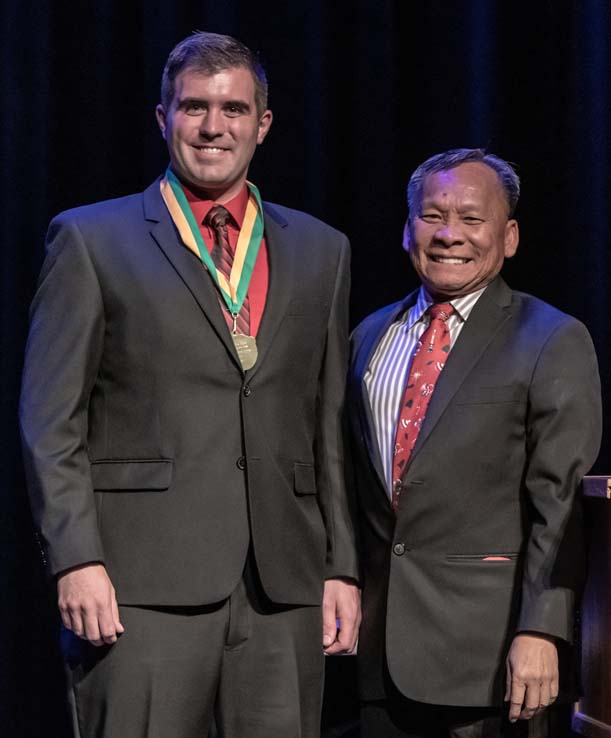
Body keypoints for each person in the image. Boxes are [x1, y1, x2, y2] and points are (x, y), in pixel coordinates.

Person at [20, 31, 360, 738]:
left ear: (262, 124)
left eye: (234, 109)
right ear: (162, 118)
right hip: (138, 582)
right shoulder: (91, 239)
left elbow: (327, 423)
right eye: (194, 107)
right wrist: (77, 558)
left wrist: (340, 568)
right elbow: (50, 420)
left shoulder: (322, 249)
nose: (214, 127)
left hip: (283, 585)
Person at [346, 148, 601, 737]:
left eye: (471, 217)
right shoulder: (368, 335)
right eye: (432, 216)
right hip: (373, 655)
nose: (449, 234)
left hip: (492, 662)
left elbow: (558, 503)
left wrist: (542, 630)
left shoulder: (551, 337)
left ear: (508, 236)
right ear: (408, 230)